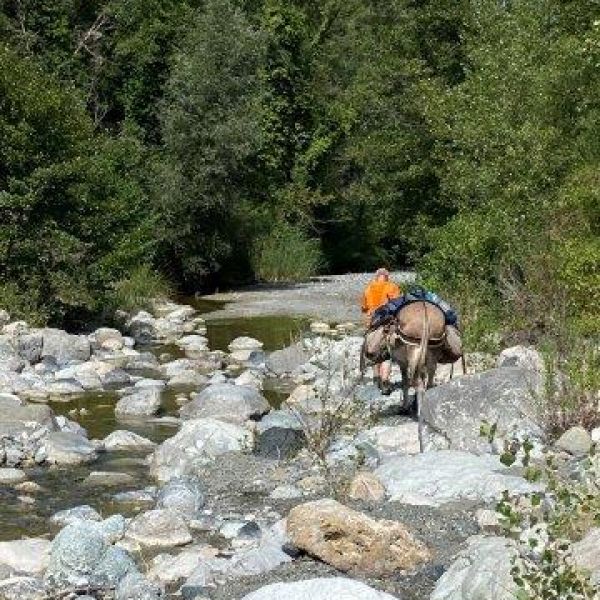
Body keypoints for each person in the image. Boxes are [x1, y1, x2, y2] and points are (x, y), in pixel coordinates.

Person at [361, 268, 401, 394]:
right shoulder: (393, 287)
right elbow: (399, 305)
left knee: (374, 350)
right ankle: (385, 380)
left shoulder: (368, 288)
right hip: (387, 325)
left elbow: (363, 307)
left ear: (376, 277)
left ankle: (376, 377)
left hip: (372, 324)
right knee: (387, 353)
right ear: (387, 277)